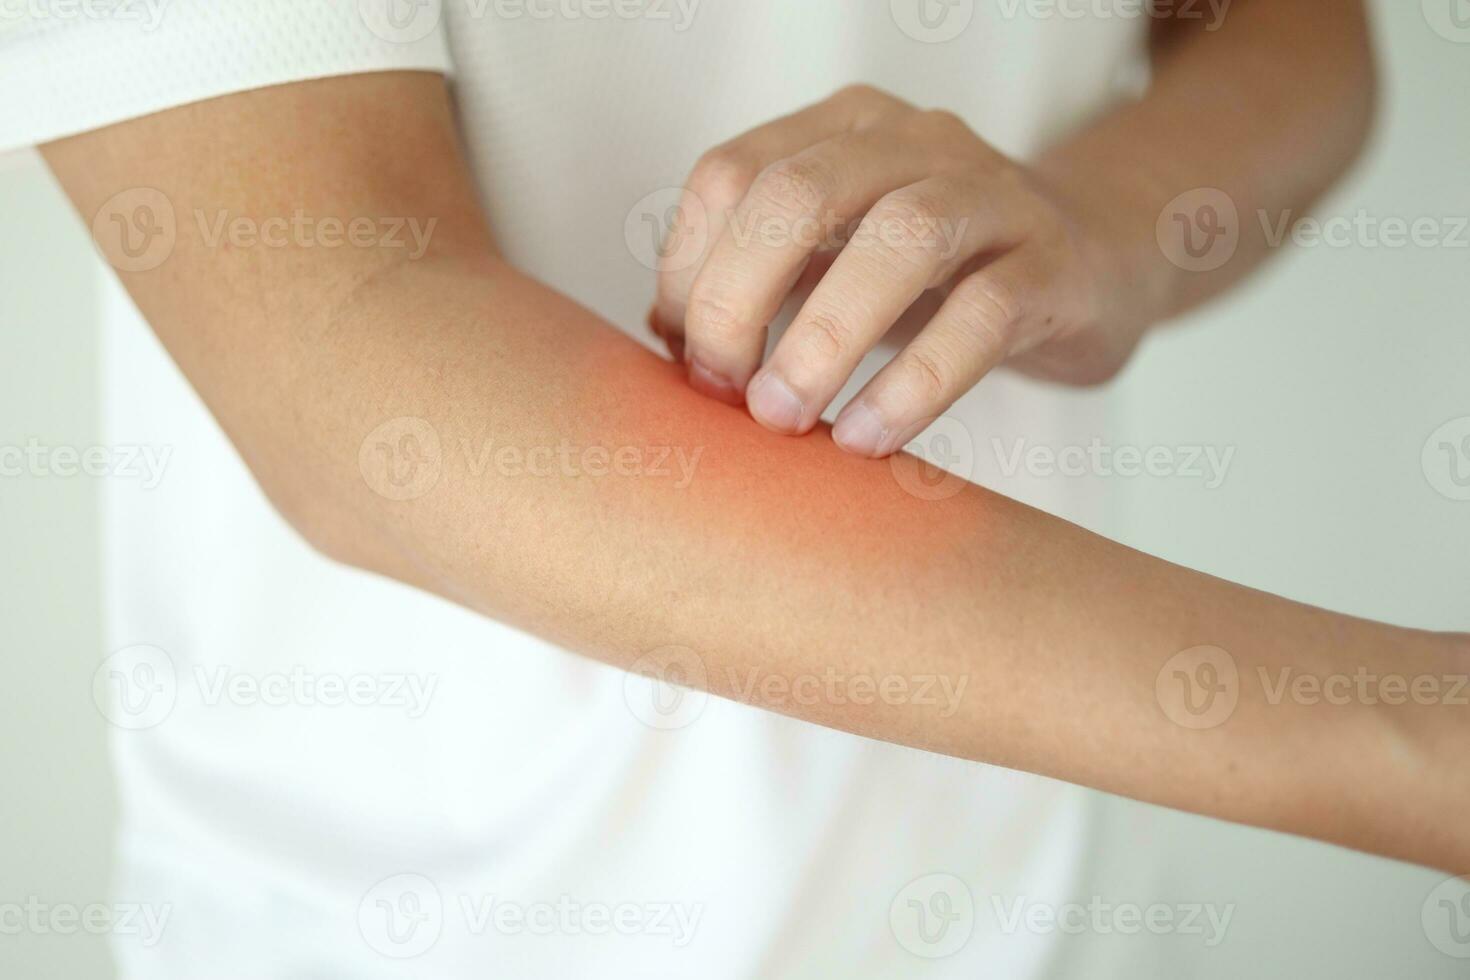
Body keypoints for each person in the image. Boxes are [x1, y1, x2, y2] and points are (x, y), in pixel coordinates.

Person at [4, 1, 1462, 977]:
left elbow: (1281, 27)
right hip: (422, 927)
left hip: (1031, 881)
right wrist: (1404, 738)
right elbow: (354, 360)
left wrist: (1107, 219)